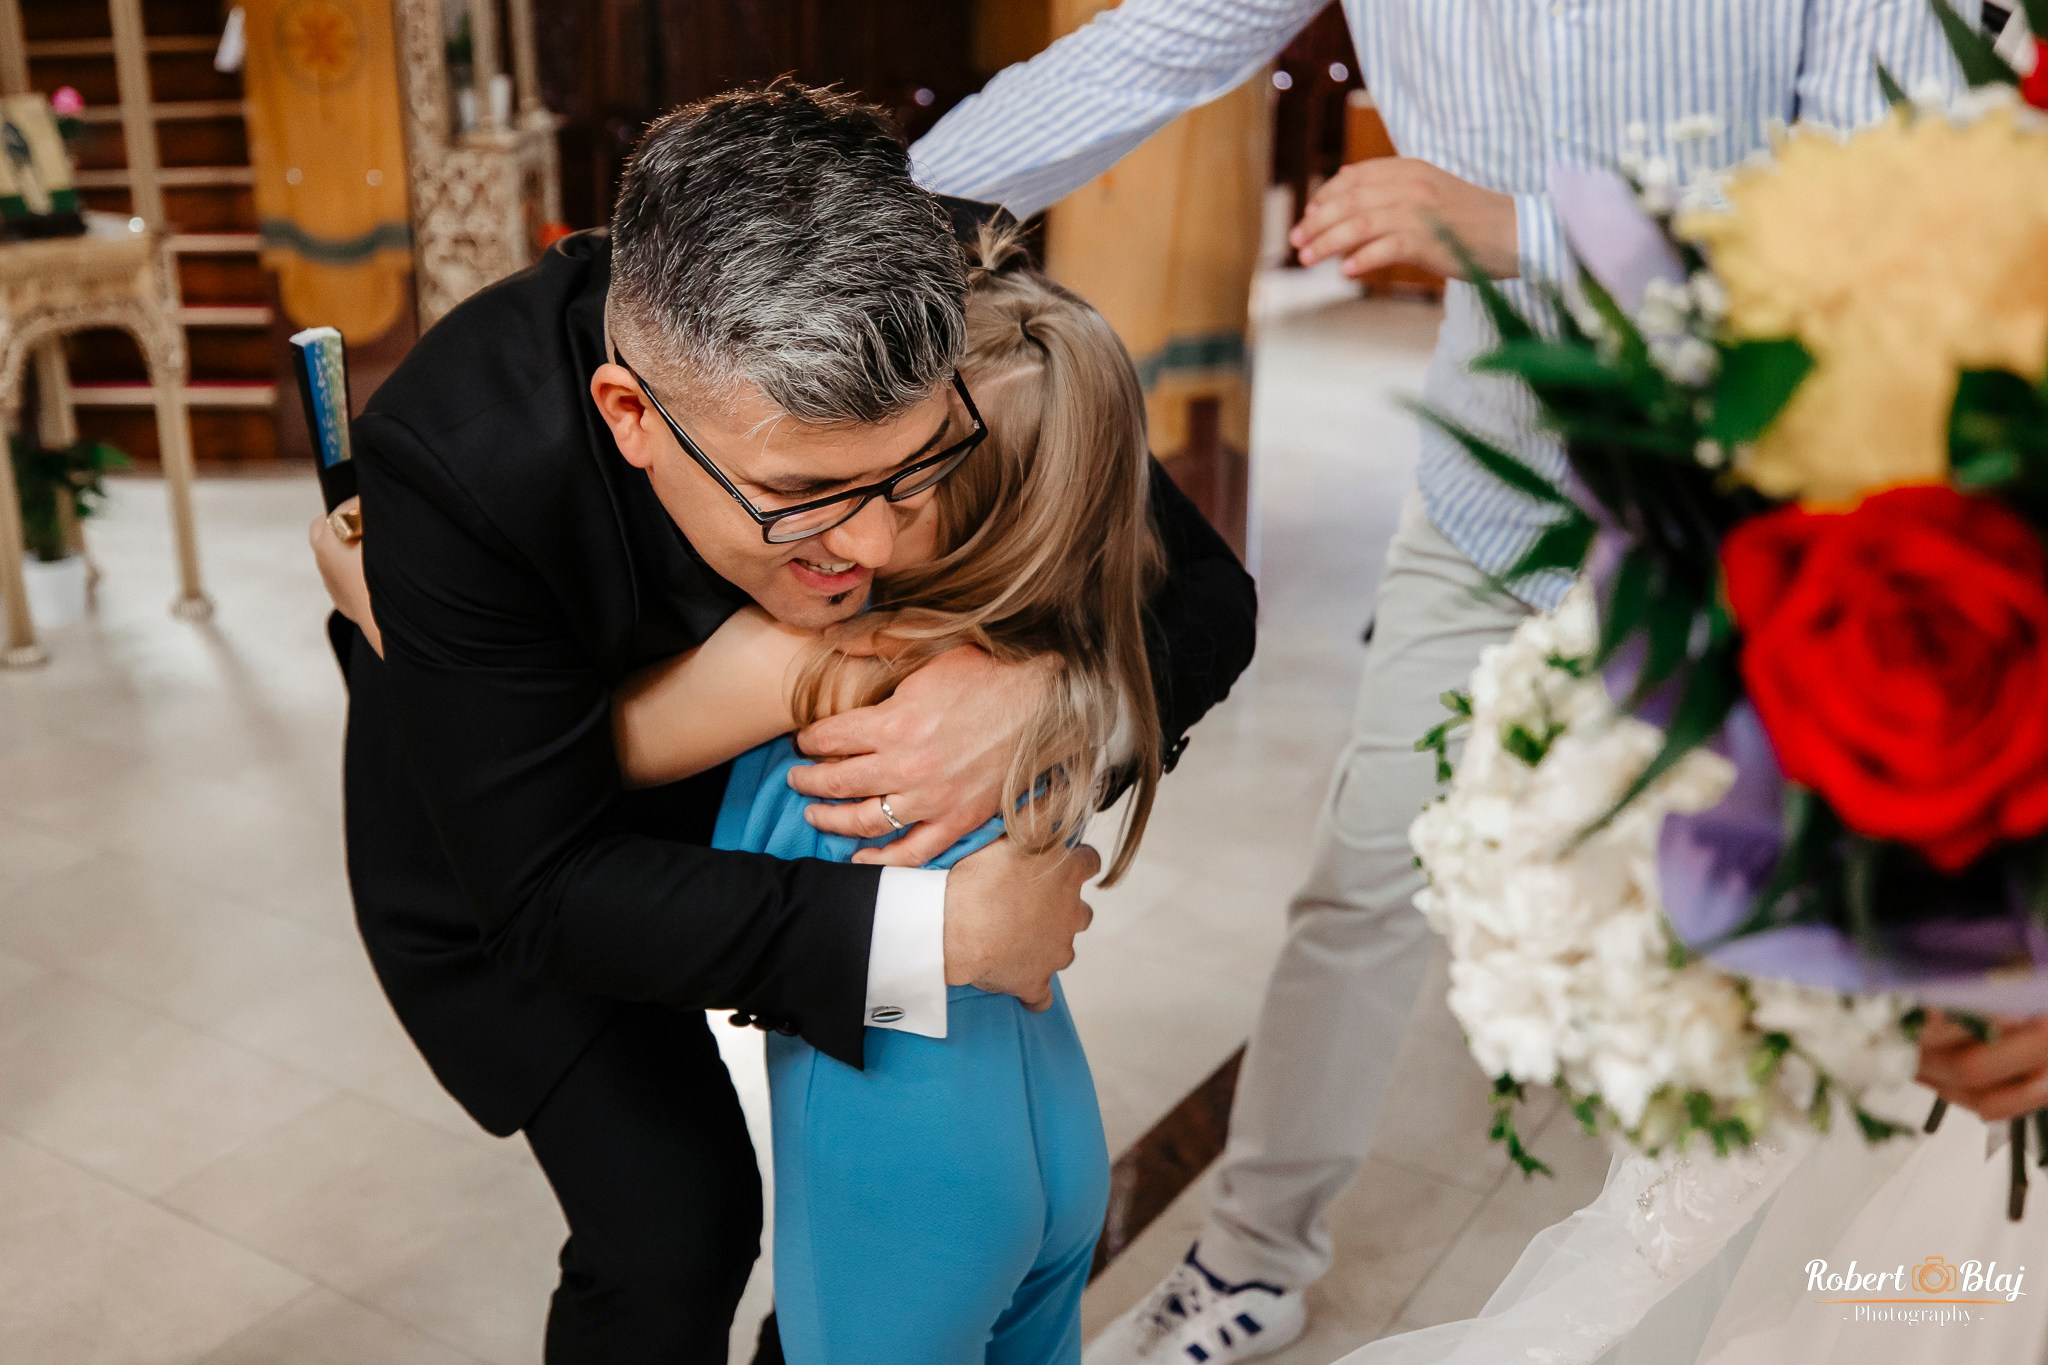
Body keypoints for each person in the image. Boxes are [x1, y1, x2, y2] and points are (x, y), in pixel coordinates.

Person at [908, 4, 1978, 1360]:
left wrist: (1524, 232)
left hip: (1773, 507)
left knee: (1729, 938)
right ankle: (1247, 1259)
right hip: (1498, 487)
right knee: (1364, 877)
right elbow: (1162, 37)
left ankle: (1675, 1303)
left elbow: (1900, 206)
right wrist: (872, 217)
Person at [322, 84, 1255, 1363]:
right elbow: (542, 888)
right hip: (524, 857)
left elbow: (1208, 595)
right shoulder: (454, 455)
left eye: (915, 468)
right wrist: (941, 932)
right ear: (630, 414)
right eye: (800, 495)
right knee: (674, 1223)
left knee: (914, 1230)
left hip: (783, 818)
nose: (873, 549)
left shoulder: (925, 285)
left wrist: (1045, 699)